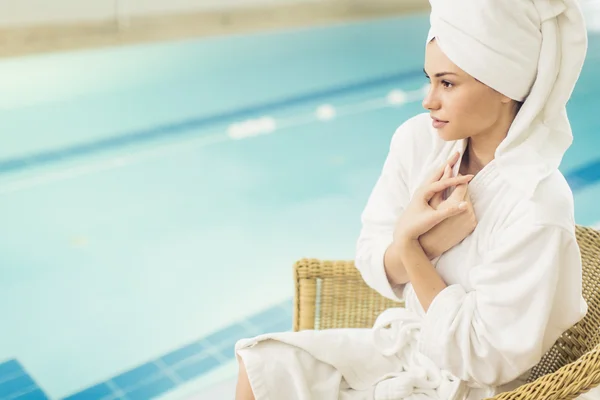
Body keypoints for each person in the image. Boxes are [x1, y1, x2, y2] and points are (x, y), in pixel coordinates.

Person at [234, 0, 590, 398]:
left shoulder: (536, 203)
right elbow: (370, 258)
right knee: (263, 362)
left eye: (448, 83)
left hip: (473, 387)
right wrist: (430, 240)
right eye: (430, 79)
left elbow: (484, 357)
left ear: (505, 86)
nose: (429, 100)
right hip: (409, 349)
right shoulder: (420, 142)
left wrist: (410, 248)